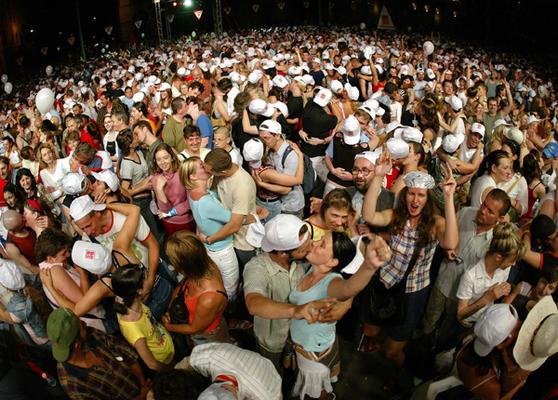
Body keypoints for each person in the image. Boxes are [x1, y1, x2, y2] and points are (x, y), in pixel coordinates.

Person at [362, 153, 458, 373]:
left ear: (427, 199)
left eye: (421, 195)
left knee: (392, 351)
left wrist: (449, 197)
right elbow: (369, 216)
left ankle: (396, 378)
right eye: (412, 194)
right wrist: (378, 176)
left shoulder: (435, 223)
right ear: (405, 195)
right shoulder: (396, 215)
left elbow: (451, 242)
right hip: (385, 282)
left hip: (412, 292)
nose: (415, 200)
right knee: (372, 331)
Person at [289, 231, 391, 399]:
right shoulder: (310, 270)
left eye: (322, 244)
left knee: (317, 392)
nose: (314, 243)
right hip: (305, 343)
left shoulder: (331, 282)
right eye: (319, 240)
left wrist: (369, 266)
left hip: (313, 350)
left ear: (333, 262)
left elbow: (347, 289)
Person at [243, 214, 348, 371]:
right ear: (283, 253)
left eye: (310, 241)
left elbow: (343, 269)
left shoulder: (304, 258)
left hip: (300, 340)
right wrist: (295, 310)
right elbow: (254, 303)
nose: (312, 247)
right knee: (272, 372)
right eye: (304, 249)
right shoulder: (257, 268)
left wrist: (347, 302)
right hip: (274, 340)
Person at [421, 189, 511, 350]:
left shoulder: (497, 242)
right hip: (443, 282)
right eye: (484, 205)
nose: (483, 211)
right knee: (427, 323)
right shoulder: (465, 213)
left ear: (500, 218)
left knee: (445, 336)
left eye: (490, 211)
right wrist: (446, 249)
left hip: (463, 299)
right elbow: (446, 235)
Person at [69, 195, 173, 319]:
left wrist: (150, 280)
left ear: (96, 213)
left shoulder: (122, 218)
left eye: (88, 225)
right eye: (82, 228)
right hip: (143, 291)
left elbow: (153, 245)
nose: (87, 232)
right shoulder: (91, 241)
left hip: (155, 271)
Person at [46, 308, 150, 400]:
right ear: (77, 345)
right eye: (82, 325)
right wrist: (141, 397)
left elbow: (126, 354)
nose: (85, 323)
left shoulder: (91, 334)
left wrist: (143, 385)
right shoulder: (73, 386)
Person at [162, 231, 232, 345]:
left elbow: (195, 329)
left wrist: (168, 326)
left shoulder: (209, 298)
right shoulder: (200, 265)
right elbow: (185, 283)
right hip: (191, 322)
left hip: (207, 336)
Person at [456, 223, 527, 326]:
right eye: (512, 261)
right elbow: (460, 314)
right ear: (498, 257)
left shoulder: (505, 268)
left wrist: (503, 289)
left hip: (485, 320)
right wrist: (487, 298)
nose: (514, 264)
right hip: (466, 323)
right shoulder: (470, 275)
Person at [456, 303, 528, 400]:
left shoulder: (470, 337)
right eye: (517, 329)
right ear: (501, 344)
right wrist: (520, 384)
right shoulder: (490, 385)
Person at [112, 264, 175, 371]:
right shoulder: (133, 329)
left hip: (167, 344)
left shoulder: (127, 301)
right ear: (139, 291)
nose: (148, 279)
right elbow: (152, 364)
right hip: (165, 360)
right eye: (145, 278)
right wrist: (170, 370)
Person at [203, 148, 257, 267]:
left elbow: (234, 226)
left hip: (242, 242)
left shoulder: (242, 186)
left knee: (244, 271)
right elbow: (213, 192)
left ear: (222, 172)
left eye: (209, 172)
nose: (206, 173)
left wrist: (209, 240)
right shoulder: (222, 169)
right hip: (227, 236)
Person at [173, 342, 282, 400]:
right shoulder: (210, 356)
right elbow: (186, 363)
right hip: (247, 358)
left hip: (269, 371)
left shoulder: (266, 395)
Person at [258, 119, 305, 217]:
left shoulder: (291, 155)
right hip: (277, 203)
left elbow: (287, 188)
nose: (263, 142)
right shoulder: (269, 149)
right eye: (261, 138)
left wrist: (262, 183)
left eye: (266, 138)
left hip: (290, 205)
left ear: (277, 136)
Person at [151, 142, 195, 235]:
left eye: (165, 157)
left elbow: (190, 201)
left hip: (187, 221)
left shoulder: (182, 173)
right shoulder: (155, 179)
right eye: (159, 159)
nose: (162, 162)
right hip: (169, 223)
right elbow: (165, 210)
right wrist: (159, 189)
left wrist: (171, 212)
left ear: (172, 157)